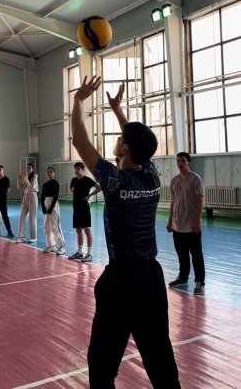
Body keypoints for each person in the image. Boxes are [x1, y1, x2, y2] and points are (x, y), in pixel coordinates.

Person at [71, 76, 181, 389]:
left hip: (122, 282)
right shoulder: (151, 176)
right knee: (160, 358)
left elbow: (80, 141)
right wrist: (118, 111)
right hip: (151, 278)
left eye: (122, 138)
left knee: (102, 362)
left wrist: (78, 101)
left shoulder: (114, 182)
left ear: (125, 147)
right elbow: (136, 142)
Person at [166, 152, 205, 295]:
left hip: (191, 225)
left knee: (196, 254)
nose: (180, 163)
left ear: (188, 162)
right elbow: (172, 203)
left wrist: (197, 221)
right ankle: (183, 278)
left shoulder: (195, 179)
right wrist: (170, 220)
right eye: (178, 161)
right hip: (177, 225)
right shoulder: (174, 181)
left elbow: (200, 202)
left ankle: (200, 282)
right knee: (181, 253)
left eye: (182, 161)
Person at [68, 161, 101, 263]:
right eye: (75, 169)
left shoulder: (87, 180)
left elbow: (99, 187)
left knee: (87, 230)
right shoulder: (73, 180)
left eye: (78, 169)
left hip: (84, 208)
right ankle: (79, 252)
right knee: (78, 230)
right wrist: (74, 194)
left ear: (83, 170)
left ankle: (89, 254)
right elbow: (70, 188)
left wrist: (89, 196)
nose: (76, 171)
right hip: (76, 208)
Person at [41, 166, 66, 255]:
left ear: (54, 173)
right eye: (48, 172)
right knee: (46, 226)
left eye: (51, 172)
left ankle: (61, 246)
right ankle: (51, 245)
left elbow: (55, 196)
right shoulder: (45, 185)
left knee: (55, 226)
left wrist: (50, 208)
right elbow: (42, 197)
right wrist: (44, 209)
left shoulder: (56, 184)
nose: (49, 173)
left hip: (53, 205)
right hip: (46, 203)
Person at [16, 162, 39, 243]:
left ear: (32, 169)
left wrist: (26, 180)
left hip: (32, 196)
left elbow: (31, 187)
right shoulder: (25, 177)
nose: (27, 169)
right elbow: (20, 187)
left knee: (32, 217)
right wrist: (18, 180)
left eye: (29, 168)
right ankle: (21, 236)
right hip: (25, 196)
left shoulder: (35, 177)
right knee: (22, 216)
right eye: (26, 168)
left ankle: (34, 237)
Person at [0, 165, 14, 238]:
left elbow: (8, 189)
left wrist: (4, 196)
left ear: (3, 170)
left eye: (0, 169)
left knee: (5, 216)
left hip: (3, 200)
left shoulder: (6, 179)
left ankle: (9, 231)